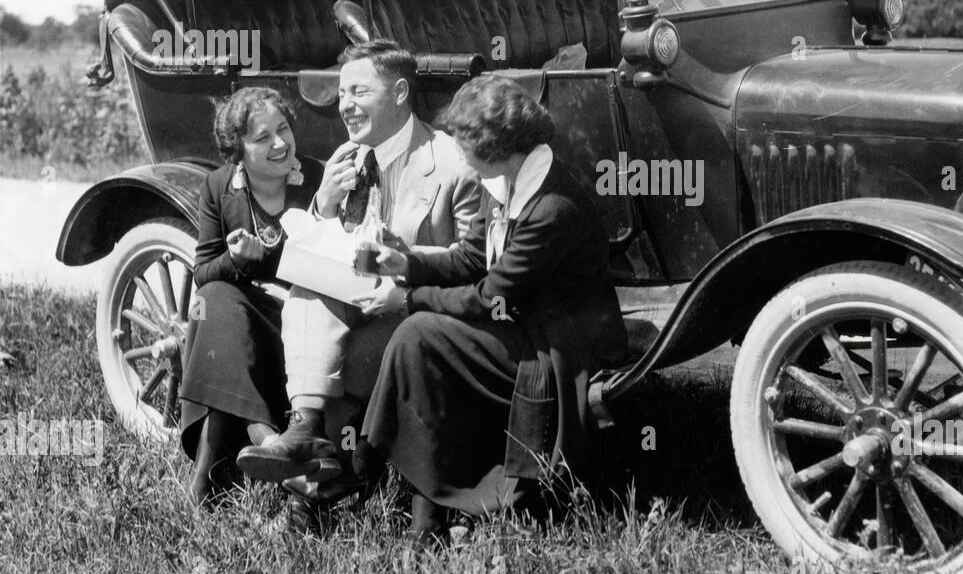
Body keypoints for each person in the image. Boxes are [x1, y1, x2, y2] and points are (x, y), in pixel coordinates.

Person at [356, 74, 629, 545]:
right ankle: (424, 508)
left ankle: (367, 470)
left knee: (419, 333)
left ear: (496, 145)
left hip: (564, 349)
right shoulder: (504, 181)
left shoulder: (552, 206)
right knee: (421, 340)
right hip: (526, 325)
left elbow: (490, 297)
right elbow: (471, 260)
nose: (458, 153)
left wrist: (407, 300)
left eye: (465, 144)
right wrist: (411, 264)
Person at [235, 40, 479, 497]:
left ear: (401, 92)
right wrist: (324, 202)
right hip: (356, 298)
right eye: (342, 94)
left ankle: (312, 477)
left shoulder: (451, 164)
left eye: (359, 93)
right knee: (309, 294)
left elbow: (474, 264)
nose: (345, 106)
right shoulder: (351, 158)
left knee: (331, 334)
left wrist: (404, 267)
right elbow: (335, 249)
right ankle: (310, 437)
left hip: (416, 309)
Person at [179, 87, 324, 506]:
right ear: (237, 151)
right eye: (262, 138)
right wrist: (236, 259)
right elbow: (203, 272)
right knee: (218, 298)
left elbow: (329, 265)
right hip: (245, 329)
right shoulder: (219, 186)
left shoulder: (315, 179)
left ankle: (204, 483)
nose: (280, 144)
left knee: (219, 318)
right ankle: (267, 439)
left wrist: (267, 259)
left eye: (283, 130)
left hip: (304, 323)